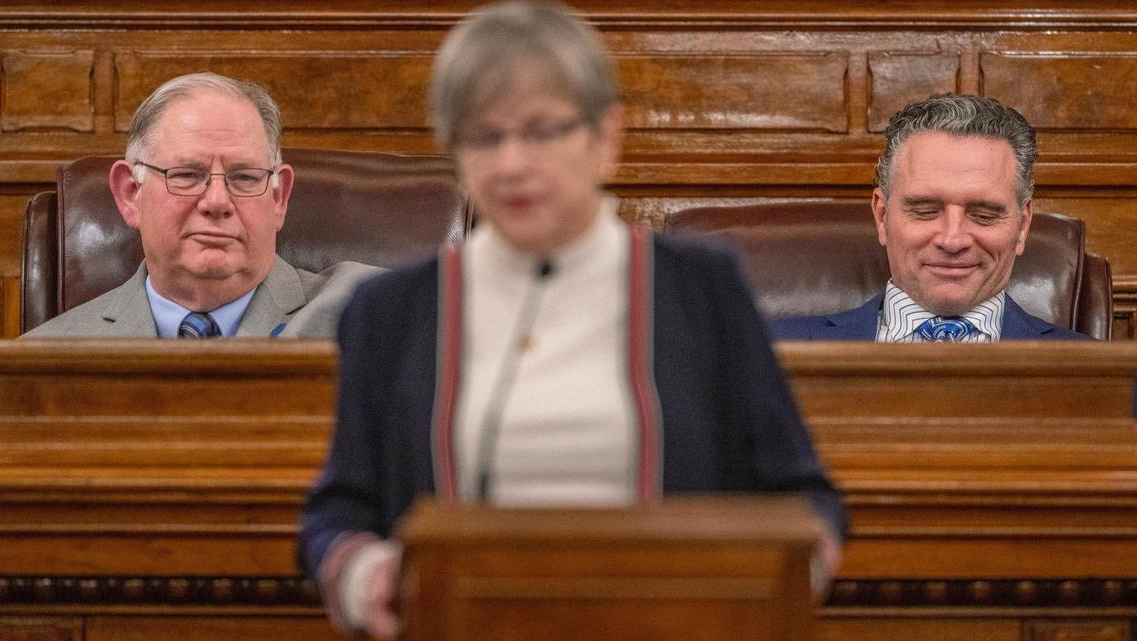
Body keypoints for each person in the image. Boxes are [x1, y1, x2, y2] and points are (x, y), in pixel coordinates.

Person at [300, 2, 846, 637]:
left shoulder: (701, 290)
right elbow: (336, 514)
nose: (510, 164)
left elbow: (808, 502)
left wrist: (756, 594)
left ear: (605, 138)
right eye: (483, 137)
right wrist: (369, 575)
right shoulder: (391, 313)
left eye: (539, 132)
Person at [22, 72, 378, 338]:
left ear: (278, 198)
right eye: (187, 175)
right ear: (131, 194)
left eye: (245, 177)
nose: (218, 202)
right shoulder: (42, 361)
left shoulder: (378, 314)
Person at [773, 94, 1091, 342]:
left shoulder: (1106, 378)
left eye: (982, 214)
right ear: (882, 216)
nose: (952, 240)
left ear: (1022, 226)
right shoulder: (769, 356)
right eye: (925, 212)